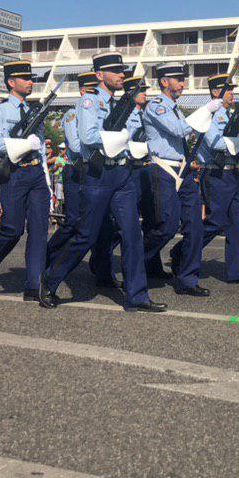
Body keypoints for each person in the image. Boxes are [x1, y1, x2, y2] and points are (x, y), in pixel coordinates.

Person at [44, 53, 162, 311]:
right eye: (116, 71)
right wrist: (118, 138)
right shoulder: (90, 102)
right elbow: (86, 137)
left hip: (122, 174)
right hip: (98, 175)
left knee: (132, 234)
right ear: (100, 75)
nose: (122, 75)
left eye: (122, 71)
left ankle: (137, 296)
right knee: (86, 235)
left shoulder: (119, 104)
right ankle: (49, 282)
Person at [0, 61, 52, 305]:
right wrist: (25, 144)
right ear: (11, 82)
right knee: (12, 229)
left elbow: (42, 150)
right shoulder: (1, 110)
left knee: (39, 231)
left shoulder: (35, 110)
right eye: (25, 78)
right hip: (14, 174)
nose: (30, 82)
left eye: (31, 78)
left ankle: (34, 286)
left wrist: (47, 179)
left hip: (35, 173)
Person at [142, 62, 216, 297]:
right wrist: (206, 110)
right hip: (162, 168)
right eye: (178, 79)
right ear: (164, 82)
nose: (183, 83)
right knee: (166, 225)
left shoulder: (176, 108)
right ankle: (136, 263)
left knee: (194, 223)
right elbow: (179, 130)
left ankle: (187, 279)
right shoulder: (156, 107)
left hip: (183, 171)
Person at [197, 73, 239, 284]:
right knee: (216, 221)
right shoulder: (210, 114)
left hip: (231, 172)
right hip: (216, 173)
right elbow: (215, 143)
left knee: (238, 224)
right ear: (215, 92)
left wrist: (238, 140)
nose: (232, 93)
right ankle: (183, 253)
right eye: (228, 89)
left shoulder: (229, 114)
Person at [45, 71, 109, 276]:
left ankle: (99, 266)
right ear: (84, 91)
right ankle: (49, 255)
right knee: (73, 221)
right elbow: (74, 143)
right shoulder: (72, 115)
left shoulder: (102, 111)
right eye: (93, 89)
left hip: (94, 169)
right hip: (76, 169)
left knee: (100, 223)